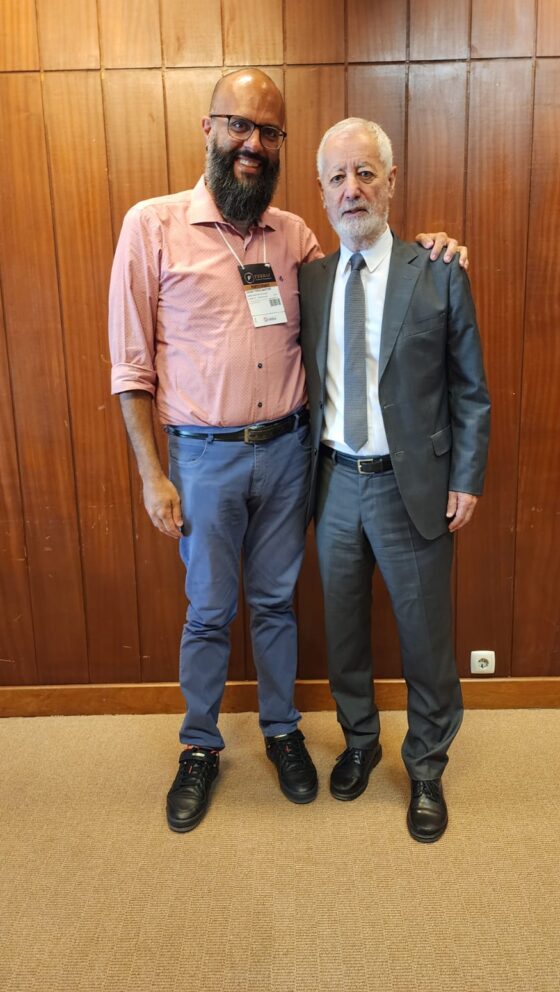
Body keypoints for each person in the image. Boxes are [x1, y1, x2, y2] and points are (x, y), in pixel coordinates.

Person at [109, 70, 467, 834]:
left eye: (268, 133)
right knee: (209, 612)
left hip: (287, 456)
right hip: (203, 458)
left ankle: (282, 733)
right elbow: (130, 368)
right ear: (209, 129)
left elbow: (383, 273)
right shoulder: (153, 226)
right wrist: (151, 475)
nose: (252, 144)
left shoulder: (296, 237)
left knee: (276, 605)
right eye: (239, 126)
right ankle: (200, 747)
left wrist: (439, 245)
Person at [299, 118, 490, 843]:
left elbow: (471, 391)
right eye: (338, 178)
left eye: (365, 173)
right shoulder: (311, 279)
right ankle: (358, 743)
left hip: (415, 489)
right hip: (336, 484)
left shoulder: (438, 270)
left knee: (426, 639)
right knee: (344, 632)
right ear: (322, 192)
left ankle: (428, 767)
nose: (352, 189)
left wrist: (467, 476)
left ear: (391, 181)